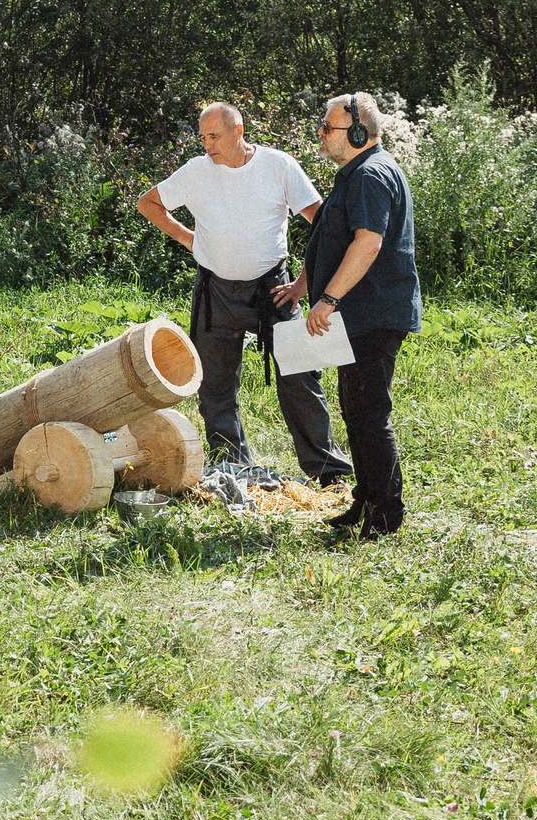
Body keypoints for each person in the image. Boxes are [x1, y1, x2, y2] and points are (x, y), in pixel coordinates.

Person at [137, 102, 350, 482]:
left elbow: (325, 224)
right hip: (214, 290)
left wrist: (304, 283)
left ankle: (327, 471)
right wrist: (192, 241)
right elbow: (148, 203)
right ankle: (231, 469)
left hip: (274, 289)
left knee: (300, 376)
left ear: (239, 130)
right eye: (202, 137)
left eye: (214, 136)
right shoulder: (196, 171)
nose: (207, 145)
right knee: (215, 385)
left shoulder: (278, 165)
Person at [302, 90, 423, 538]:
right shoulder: (354, 175)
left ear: (356, 132)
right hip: (360, 313)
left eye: (327, 128)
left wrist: (328, 299)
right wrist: (305, 284)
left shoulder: (371, 175)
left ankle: (386, 514)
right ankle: (366, 499)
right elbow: (333, 239)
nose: (321, 135)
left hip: (373, 312)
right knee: (356, 410)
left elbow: (367, 244)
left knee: (369, 412)